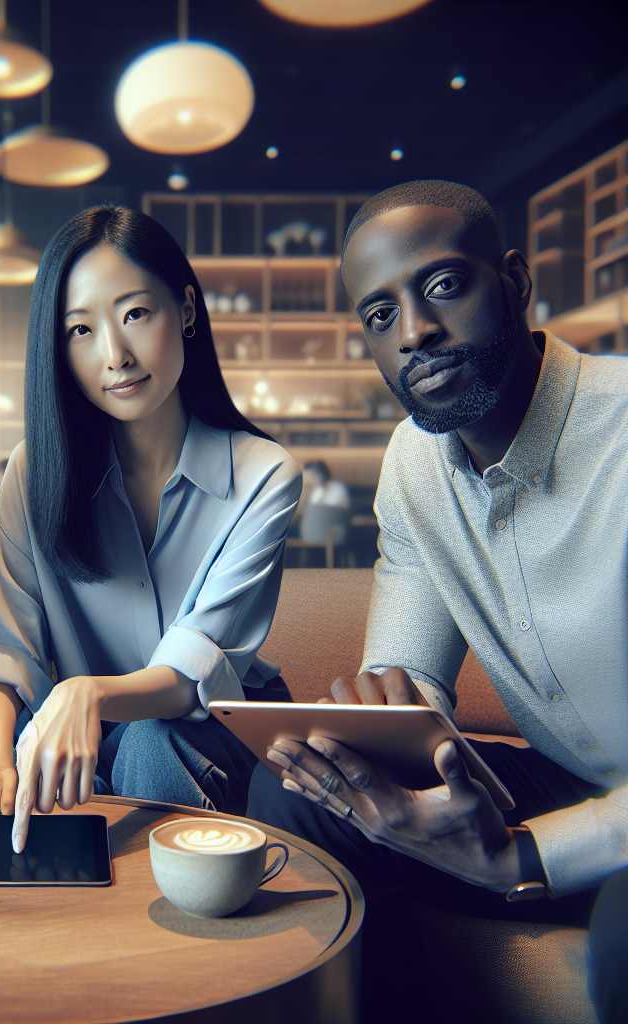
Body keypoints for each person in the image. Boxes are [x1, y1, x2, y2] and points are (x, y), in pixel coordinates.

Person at [245, 180, 627, 1022]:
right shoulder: (414, 466)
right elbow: (407, 676)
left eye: (444, 286)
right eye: (379, 315)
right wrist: (383, 721)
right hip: (572, 783)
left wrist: (523, 855)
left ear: (516, 282)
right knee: (301, 792)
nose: (415, 330)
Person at [0, 205, 301, 853]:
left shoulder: (265, 475)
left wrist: (85, 695)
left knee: (149, 742)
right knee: (40, 784)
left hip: (218, 729)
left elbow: (189, 670)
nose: (114, 356)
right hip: (83, 733)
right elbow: (10, 644)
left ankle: (176, 941)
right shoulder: (32, 474)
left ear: (186, 310)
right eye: (80, 330)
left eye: (135, 314)